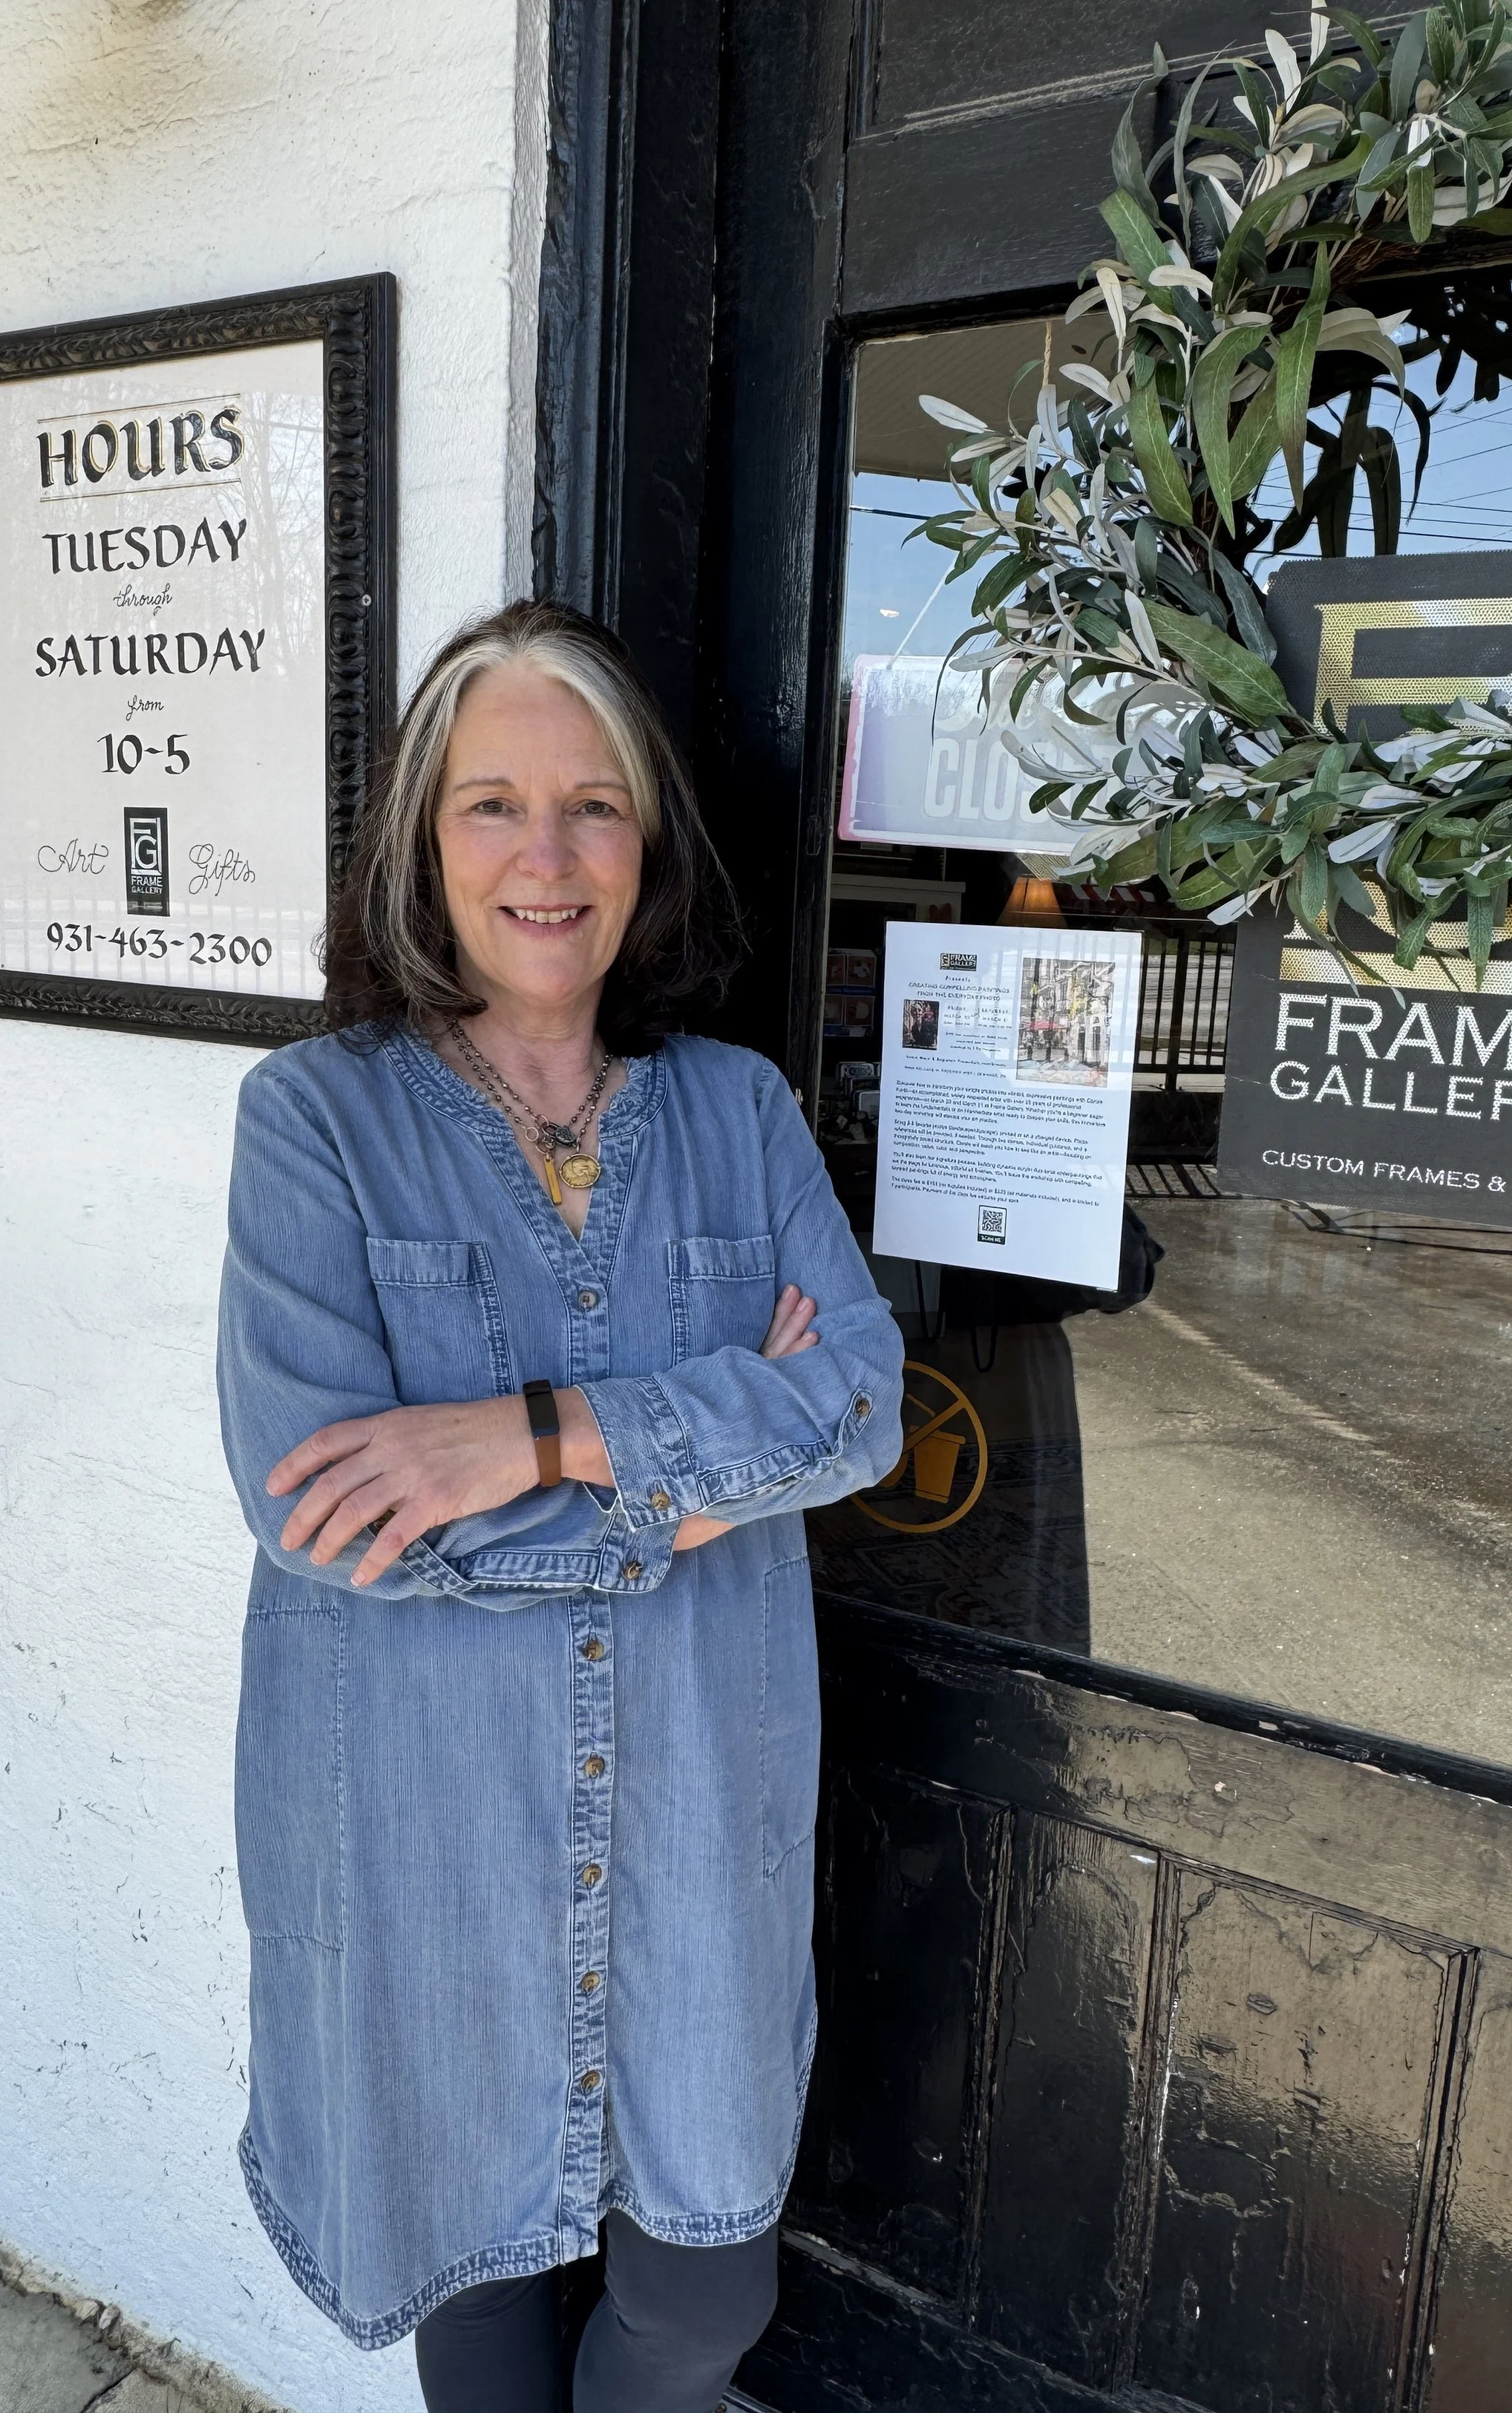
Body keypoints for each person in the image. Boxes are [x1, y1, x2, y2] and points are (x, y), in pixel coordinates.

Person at [215, 601, 904, 2412]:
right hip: (424, 1821)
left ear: (649, 843)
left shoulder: (741, 1113)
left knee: (696, 2298)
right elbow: (326, 1507)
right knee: (481, 2289)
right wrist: (690, 1484)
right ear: (417, 846)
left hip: (694, 1813)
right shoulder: (314, 1123)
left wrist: (529, 1432)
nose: (545, 855)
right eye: (490, 805)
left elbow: (855, 1406)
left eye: (594, 806)